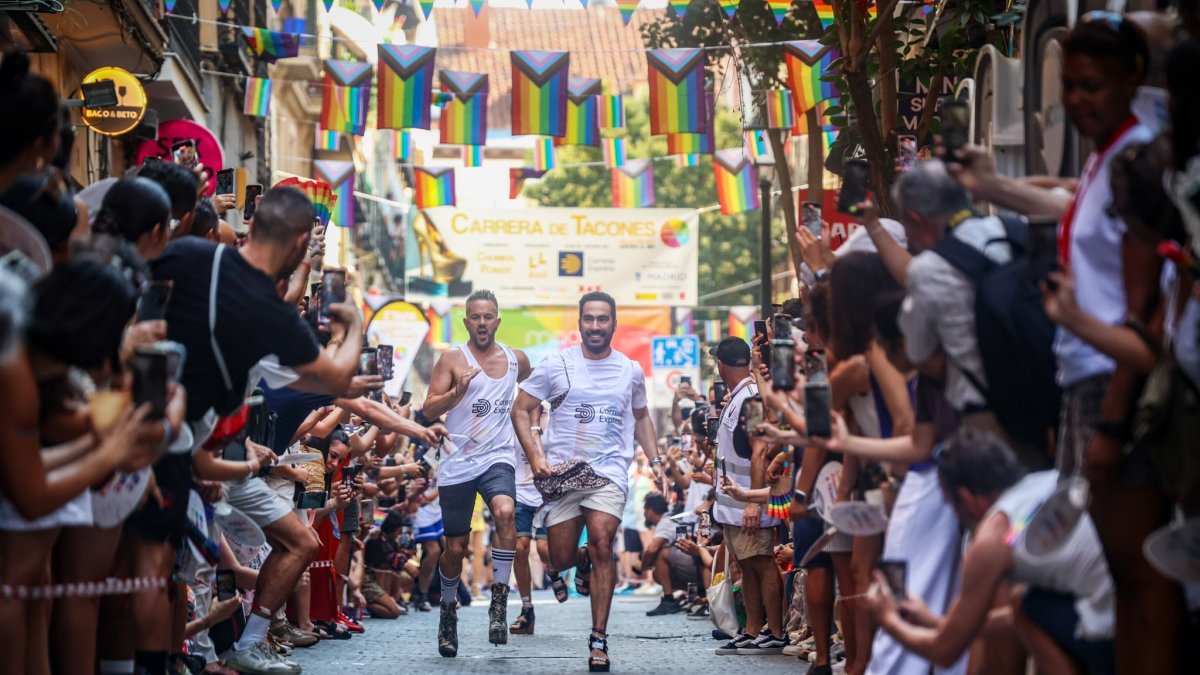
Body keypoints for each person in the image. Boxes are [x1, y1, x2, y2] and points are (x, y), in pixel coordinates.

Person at [145, 186, 366, 674]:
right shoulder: (269, 313)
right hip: (189, 452)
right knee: (157, 576)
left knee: (149, 576)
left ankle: (226, 648)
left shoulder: (186, 253)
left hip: (148, 430)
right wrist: (352, 326)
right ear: (298, 242)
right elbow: (334, 377)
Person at [867, 428, 1116, 675]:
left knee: (1026, 606)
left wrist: (888, 619)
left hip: (1107, 634)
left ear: (967, 498)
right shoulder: (1047, 480)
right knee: (1023, 604)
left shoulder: (994, 536)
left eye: (951, 504)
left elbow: (944, 651)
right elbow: (1019, 618)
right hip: (1125, 617)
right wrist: (936, 622)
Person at [511, 291, 660, 673]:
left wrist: (656, 460)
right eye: (589, 319)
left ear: (614, 323)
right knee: (557, 557)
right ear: (580, 323)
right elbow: (521, 409)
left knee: (602, 542)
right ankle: (578, 562)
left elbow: (642, 417)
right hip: (563, 475)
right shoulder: (556, 364)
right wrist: (536, 457)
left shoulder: (630, 369)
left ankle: (598, 639)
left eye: (603, 319)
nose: (595, 326)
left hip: (608, 472)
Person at [420, 289, 530, 656]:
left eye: (488, 317)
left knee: (505, 512)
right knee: (455, 548)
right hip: (457, 460)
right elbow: (428, 410)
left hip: (498, 457)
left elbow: (536, 392)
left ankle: (498, 604)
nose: (482, 323)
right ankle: (448, 611)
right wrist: (457, 391)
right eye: (475, 317)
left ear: (498, 321)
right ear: (466, 321)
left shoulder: (517, 361)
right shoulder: (453, 358)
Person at [708, 336, 786, 656]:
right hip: (733, 504)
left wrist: (753, 502)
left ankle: (776, 632)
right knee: (747, 563)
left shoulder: (752, 399)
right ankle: (753, 629)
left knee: (762, 562)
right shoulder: (740, 396)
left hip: (748, 502)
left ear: (722, 365)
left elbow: (759, 452)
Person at [639, 491, 701, 616]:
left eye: (645, 510)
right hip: (695, 563)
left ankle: (669, 600)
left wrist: (643, 567)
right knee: (658, 573)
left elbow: (652, 549)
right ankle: (694, 596)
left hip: (698, 563)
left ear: (650, 510)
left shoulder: (666, 522)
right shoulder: (667, 519)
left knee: (660, 554)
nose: (644, 514)